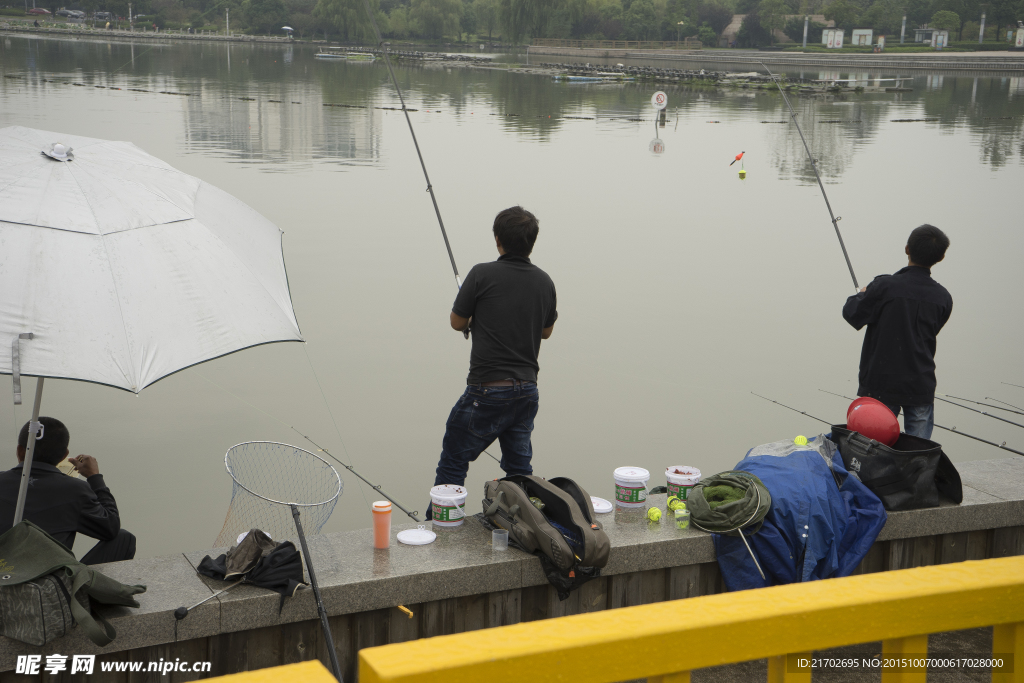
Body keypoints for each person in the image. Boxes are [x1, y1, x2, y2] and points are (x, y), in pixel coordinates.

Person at [429, 207, 557, 512]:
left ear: (497, 239)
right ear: (532, 242)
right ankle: (525, 522)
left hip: (486, 391)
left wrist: (475, 313)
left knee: (453, 462)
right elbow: (546, 331)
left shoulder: (481, 274)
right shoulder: (544, 281)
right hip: (526, 391)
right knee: (518, 470)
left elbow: (457, 322)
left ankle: (441, 527)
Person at [843, 225, 952, 439]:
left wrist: (862, 295)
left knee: (873, 447)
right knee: (919, 450)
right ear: (941, 257)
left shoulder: (884, 287)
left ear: (907, 249)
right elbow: (931, 330)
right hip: (920, 383)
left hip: (880, 384)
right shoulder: (943, 297)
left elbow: (852, 313)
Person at [0, 417, 136, 564]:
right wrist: (94, 477)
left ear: (20, 450)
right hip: (50, 583)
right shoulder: (75, 489)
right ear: (65, 455)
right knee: (123, 538)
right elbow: (111, 528)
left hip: (4, 576)